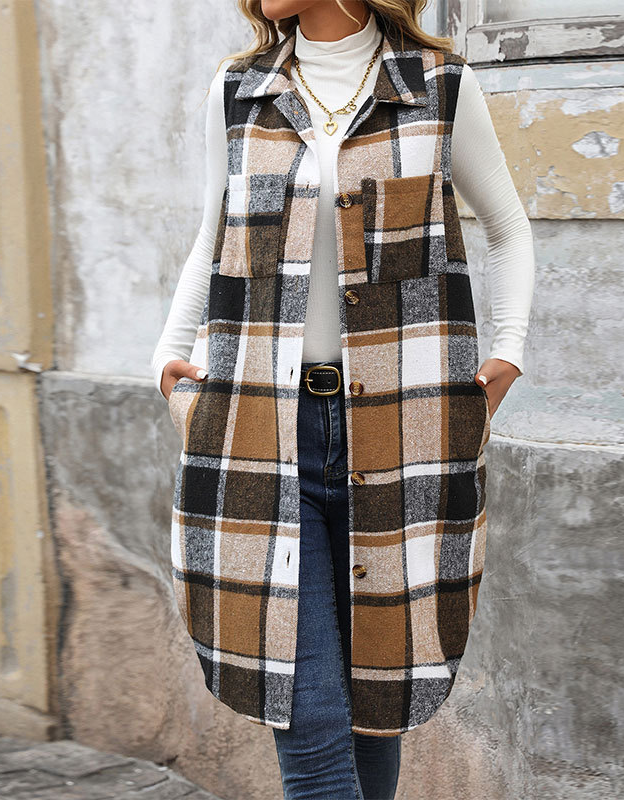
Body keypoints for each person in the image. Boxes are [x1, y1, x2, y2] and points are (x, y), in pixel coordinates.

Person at [151, 1, 534, 798]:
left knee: (375, 703)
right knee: (312, 717)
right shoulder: (239, 90)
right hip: (259, 426)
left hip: (404, 433)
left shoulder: (437, 86)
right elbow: (212, 234)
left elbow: (507, 226)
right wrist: (169, 354)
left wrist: (510, 349)